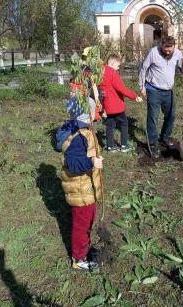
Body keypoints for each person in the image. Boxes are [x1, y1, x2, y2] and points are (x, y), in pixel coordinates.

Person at [61, 97, 103, 272]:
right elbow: (73, 163)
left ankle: (84, 247)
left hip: (86, 188)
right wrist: (91, 161)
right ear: (87, 116)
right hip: (80, 190)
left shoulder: (85, 130)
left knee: (89, 218)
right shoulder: (78, 137)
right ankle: (78, 259)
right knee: (82, 225)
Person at [139, 36, 183, 158]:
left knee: (171, 116)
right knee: (153, 118)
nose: (167, 52)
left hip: (168, 91)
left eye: (170, 50)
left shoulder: (178, 54)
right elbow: (143, 68)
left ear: (174, 47)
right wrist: (142, 86)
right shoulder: (153, 53)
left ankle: (165, 137)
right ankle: (153, 144)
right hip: (153, 89)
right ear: (161, 45)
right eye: (165, 49)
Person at [99, 54, 142, 152]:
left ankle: (110, 146)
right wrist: (135, 97)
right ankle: (124, 145)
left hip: (106, 105)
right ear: (112, 63)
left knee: (110, 125)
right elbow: (121, 89)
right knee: (124, 123)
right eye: (118, 66)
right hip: (116, 105)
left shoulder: (100, 72)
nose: (118, 68)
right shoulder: (113, 74)